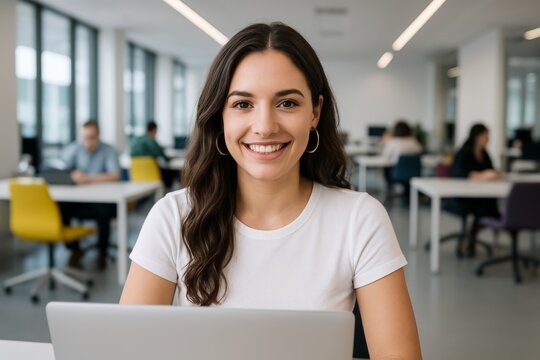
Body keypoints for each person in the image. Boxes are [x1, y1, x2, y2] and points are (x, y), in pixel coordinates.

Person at [120, 23, 421, 358]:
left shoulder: (360, 219)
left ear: (315, 112)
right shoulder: (173, 217)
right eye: (242, 104)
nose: (264, 127)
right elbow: (128, 352)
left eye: (288, 103)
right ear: (220, 115)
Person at [60, 120, 120, 269]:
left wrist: (88, 178)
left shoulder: (108, 150)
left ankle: (102, 252)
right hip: (81, 200)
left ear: (98, 135)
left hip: (103, 200)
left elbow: (114, 175)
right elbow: (62, 167)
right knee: (60, 208)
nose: (88, 142)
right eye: (85, 137)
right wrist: (72, 174)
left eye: (92, 137)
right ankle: (75, 249)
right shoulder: (76, 148)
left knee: (103, 212)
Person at [451, 123, 501, 256]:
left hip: (481, 194)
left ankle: (471, 236)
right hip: (464, 196)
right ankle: (471, 237)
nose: (488, 138)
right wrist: (481, 175)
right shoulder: (464, 152)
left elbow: (490, 169)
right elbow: (458, 173)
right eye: (486, 135)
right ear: (477, 136)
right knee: (484, 207)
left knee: (489, 206)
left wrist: (493, 174)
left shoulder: (484, 153)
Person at [130, 121, 177, 188]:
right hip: (152, 176)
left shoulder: (135, 140)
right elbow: (164, 157)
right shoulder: (151, 141)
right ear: (154, 130)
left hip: (137, 178)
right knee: (170, 173)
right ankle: (169, 192)